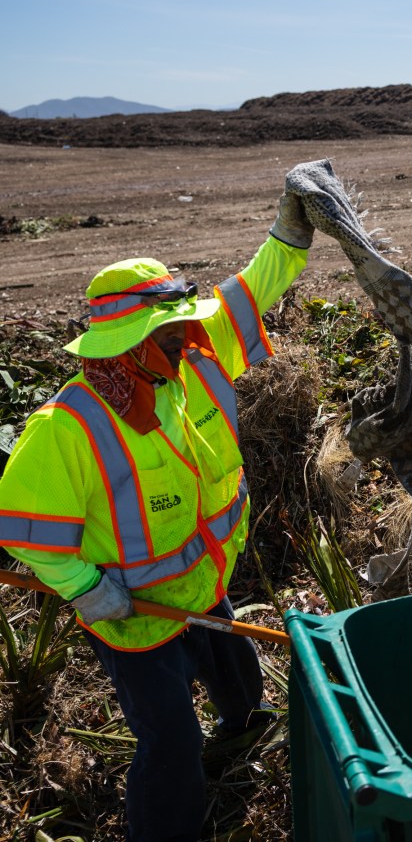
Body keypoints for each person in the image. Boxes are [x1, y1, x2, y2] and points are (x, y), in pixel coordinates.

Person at [0, 183, 313, 841]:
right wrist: (86, 589)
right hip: (135, 613)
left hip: (205, 583)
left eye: (180, 325)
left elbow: (252, 290)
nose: (182, 337)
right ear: (125, 344)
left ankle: (243, 731)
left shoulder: (189, 361)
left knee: (236, 676)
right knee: (170, 738)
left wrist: (289, 235)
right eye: (164, 332)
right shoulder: (67, 427)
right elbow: (25, 529)